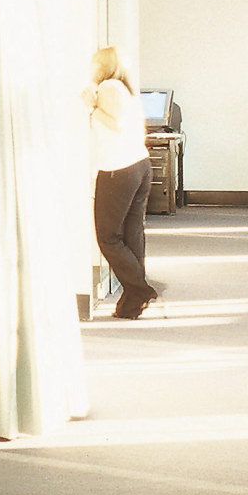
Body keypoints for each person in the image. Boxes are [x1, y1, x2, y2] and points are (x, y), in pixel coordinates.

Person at [86, 43, 160, 320]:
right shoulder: (127, 91)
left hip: (118, 169)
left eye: (94, 63)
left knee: (108, 237)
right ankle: (131, 303)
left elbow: (114, 124)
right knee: (131, 235)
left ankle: (140, 289)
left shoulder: (109, 88)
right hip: (139, 165)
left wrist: (92, 108)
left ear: (103, 66)